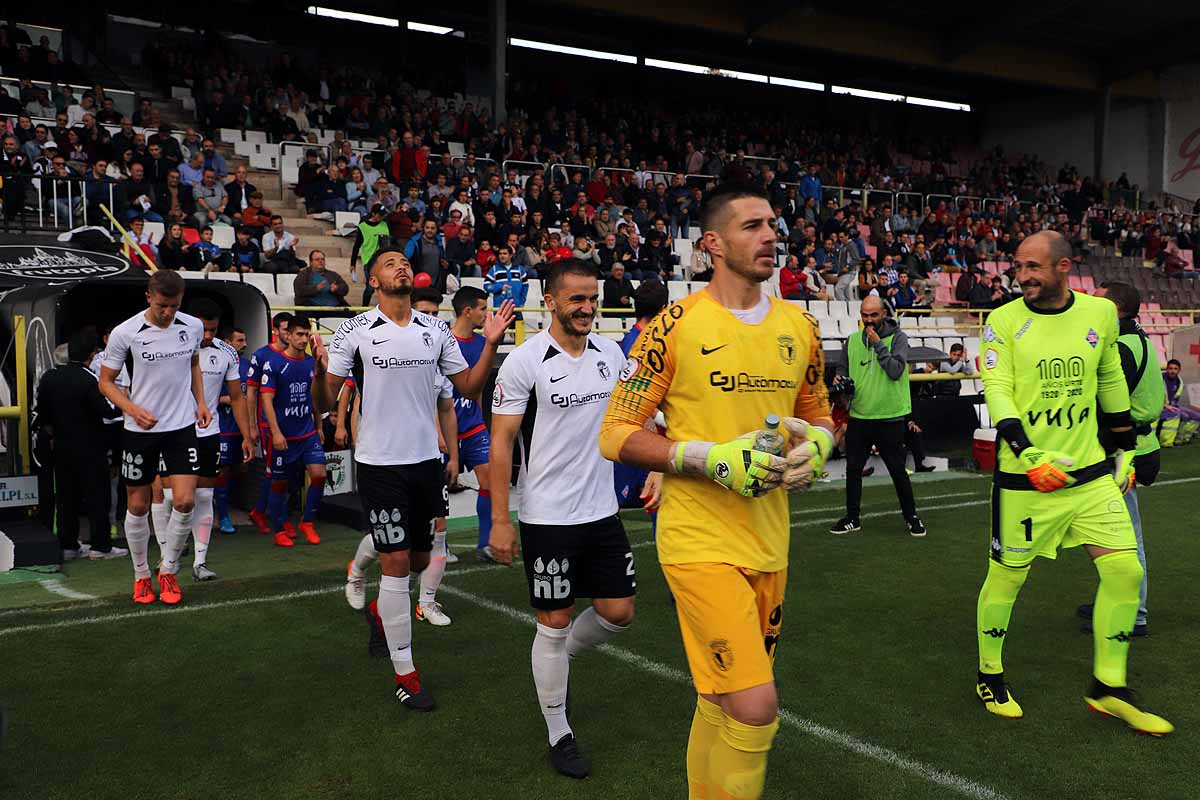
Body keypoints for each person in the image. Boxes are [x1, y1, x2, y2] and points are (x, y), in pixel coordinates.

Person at [599, 184, 834, 800]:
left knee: (720, 699)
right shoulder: (673, 327)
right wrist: (707, 458)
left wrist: (821, 449)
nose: (770, 235)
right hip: (697, 538)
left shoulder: (800, 327)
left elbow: (819, 414)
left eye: (773, 224)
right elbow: (615, 433)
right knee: (756, 707)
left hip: (770, 539)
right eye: (752, 225)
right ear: (712, 244)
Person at [974, 230, 1171, 735]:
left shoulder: (1100, 315)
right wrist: (1026, 451)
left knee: (1125, 571)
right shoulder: (1001, 321)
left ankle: (1108, 687)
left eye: (1033, 267)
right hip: (1026, 482)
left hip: (1088, 476)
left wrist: (1125, 448)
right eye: (1018, 267)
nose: (1023, 277)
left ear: (1065, 267)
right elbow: (998, 390)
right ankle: (989, 675)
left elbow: (1108, 380)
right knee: (1008, 578)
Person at [312, 247, 514, 712]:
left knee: (422, 560)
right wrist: (323, 372)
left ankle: (365, 582)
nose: (401, 266)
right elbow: (327, 398)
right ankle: (406, 674)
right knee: (398, 564)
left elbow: (466, 390)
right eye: (389, 263)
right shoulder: (355, 330)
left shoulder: (434, 330)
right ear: (375, 280)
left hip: (426, 463)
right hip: (380, 464)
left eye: (404, 261)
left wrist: (490, 345)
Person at [487, 259, 636, 780]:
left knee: (619, 613)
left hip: (601, 511)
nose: (588, 308)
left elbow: (636, 414)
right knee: (552, 619)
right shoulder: (524, 361)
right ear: (550, 301)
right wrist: (500, 519)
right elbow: (501, 439)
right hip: (547, 516)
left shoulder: (611, 353)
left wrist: (660, 467)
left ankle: (560, 657)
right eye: (576, 299)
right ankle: (558, 729)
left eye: (592, 298)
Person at [98, 270, 209, 605]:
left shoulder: (192, 326)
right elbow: (105, 382)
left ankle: (169, 570)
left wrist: (201, 401)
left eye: (173, 306)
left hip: (181, 426)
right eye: (162, 305)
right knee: (138, 505)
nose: (167, 312)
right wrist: (131, 409)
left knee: (186, 501)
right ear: (149, 297)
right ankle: (142, 575)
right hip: (139, 431)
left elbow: (193, 365)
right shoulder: (125, 333)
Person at [1076, 282, 1166, 637]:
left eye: (1098, 301)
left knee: (1125, 540)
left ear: (1115, 309)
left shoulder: (1124, 348)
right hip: (1131, 451)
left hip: (1124, 456)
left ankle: (1134, 614)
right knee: (1111, 533)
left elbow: (1110, 409)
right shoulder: (1132, 340)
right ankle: (1114, 599)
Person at [831, 295, 925, 536]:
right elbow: (842, 369)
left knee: (897, 470)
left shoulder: (899, 338)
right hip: (860, 416)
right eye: (865, 315)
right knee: (853, 470)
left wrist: (878, 345)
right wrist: (840, 379)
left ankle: (911, 516)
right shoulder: (851, 341)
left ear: (884, 313)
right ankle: (852, 518)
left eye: (874, 315)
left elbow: (895, 371)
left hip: (890, 416)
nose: (869, 320)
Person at [175, 300, 253, 579]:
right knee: (175, 497)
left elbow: (236, 397)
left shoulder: (226, 353)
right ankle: (169, 554)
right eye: (203, 329)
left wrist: (246, 435)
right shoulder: (175, 346)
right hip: (175, 431)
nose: (207, 335)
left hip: (209, 432)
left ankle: (200, 561)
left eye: (213, 329)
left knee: (205, 493)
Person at [35, 331, 126, 561]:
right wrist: (125, 405)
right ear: (91, 355)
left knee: (66, 497)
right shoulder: (89, 378)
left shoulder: (49, 377)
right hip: (91, 447)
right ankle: (101, 546)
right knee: (98, 495)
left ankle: (68, 545)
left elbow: (42, 413)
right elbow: (107, 410)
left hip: (62, 447)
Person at [258, 316, 326, 548]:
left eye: (307, 335)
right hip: (283, 436)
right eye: (299, 334)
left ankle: (307, 522)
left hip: (307, 433)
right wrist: (275, 433)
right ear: (288, 336)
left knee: (319, 475)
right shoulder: (275, 363)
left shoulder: (310, 363)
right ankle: (279, 529)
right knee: (279, 483)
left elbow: (315, 398)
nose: (303, 339)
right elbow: (266, 399)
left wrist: (318, 426)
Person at [443, 286, 499, 561]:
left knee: (489, 478)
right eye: (483, 309)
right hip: (443, 427)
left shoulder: (481, 344)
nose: (486, 314)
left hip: (473, 424)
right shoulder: (443, 342)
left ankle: (485, 544)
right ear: (467, 311)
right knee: (438, 489)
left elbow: (476, 388)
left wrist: (480, 418)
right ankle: (437, 545)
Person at [245, 313, 293, 536]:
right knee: (273, 471)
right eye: (286, 329)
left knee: (286, 471)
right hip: (268, 425)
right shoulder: (262, 355)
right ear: (275, 330)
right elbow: (252, 392)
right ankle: (271, 516)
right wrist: (252, 425)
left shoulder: (297, 354)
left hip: (293, 424)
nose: (289, 333)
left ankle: (269, 512)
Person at [215, 327, 251, 533]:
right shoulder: (217, 365)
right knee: (223, 470)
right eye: (239, 340)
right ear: (227, 342)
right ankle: (224, 514)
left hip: (244, 428)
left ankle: (234, 505)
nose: (244, 344)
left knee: (242, 469)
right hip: (224, 426)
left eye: (244, 340)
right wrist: (230, 399)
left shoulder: (247, 366)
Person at [349, 203, 393, 285]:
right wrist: (352, 263)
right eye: (380, 215)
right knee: (370, 287)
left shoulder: (385, 225)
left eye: (383, 215)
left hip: (383, 260)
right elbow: (356, 246)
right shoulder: (363, 227)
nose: (382, 217)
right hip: (369, 261)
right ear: (373, 214)